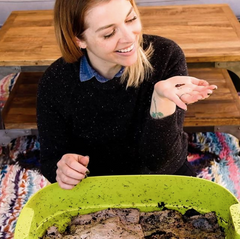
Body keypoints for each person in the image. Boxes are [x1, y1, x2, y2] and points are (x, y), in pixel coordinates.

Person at [37, 0, 217, 189]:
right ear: (78, 40)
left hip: (165, 181)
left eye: (131, 19)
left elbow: (164, 164)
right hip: (95, 189)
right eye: (109, 33)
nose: (129, 38)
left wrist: (161, 101)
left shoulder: (166, 56)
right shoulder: (55, 81)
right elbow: (50, 162)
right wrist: (64, 169)